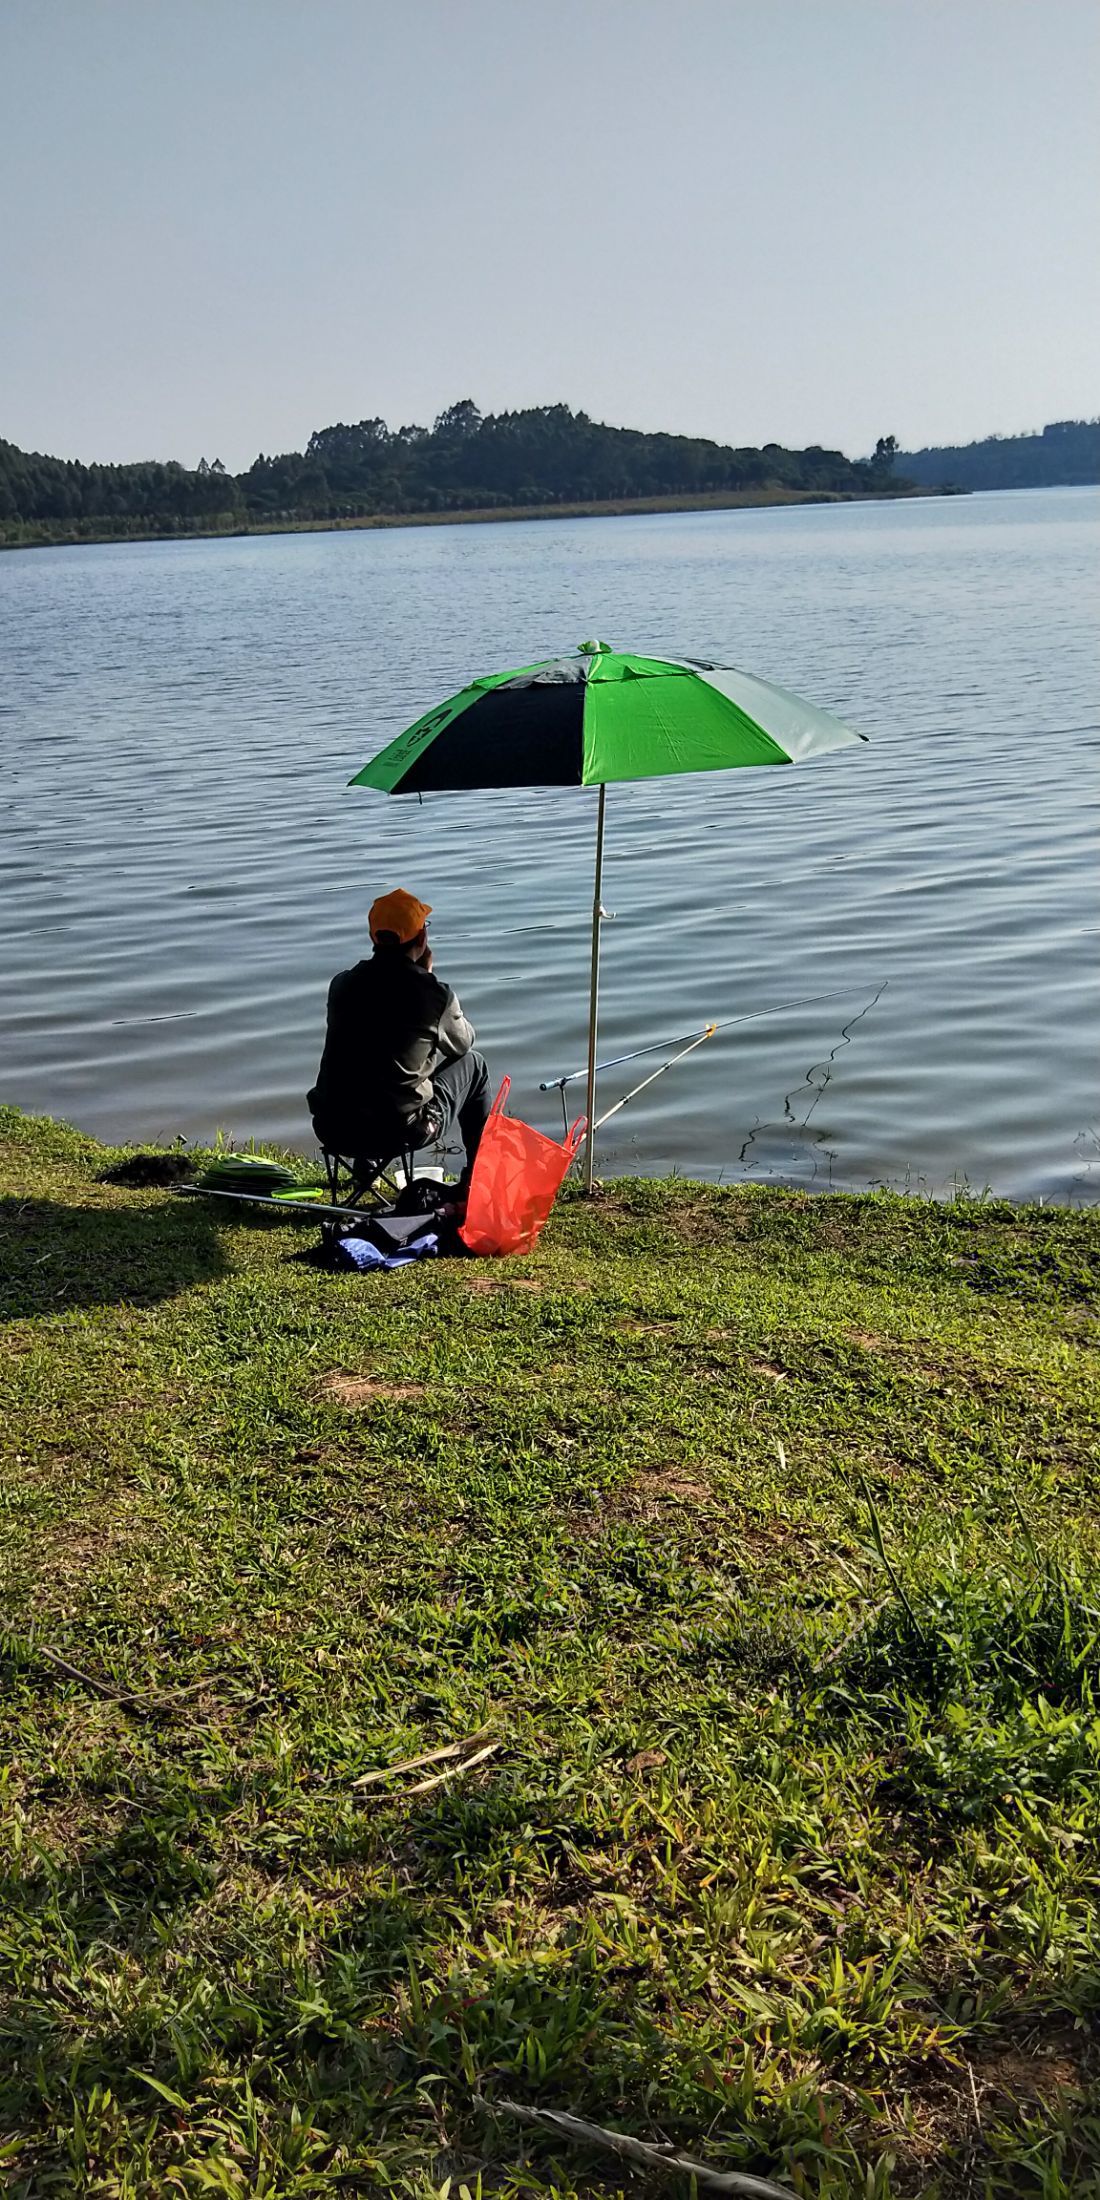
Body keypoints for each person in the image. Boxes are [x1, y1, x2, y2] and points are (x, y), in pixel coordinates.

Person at [308, 889, 491, 1184]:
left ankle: (364, 1169)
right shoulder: (433, 995)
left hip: (333, 1127)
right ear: (422, 939)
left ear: (373, 938)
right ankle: (476, 1179)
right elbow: (462, 1044)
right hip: (401, 1132)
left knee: (364, 1061)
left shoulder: (341, 985)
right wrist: (427, 979)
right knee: (475, 1064)